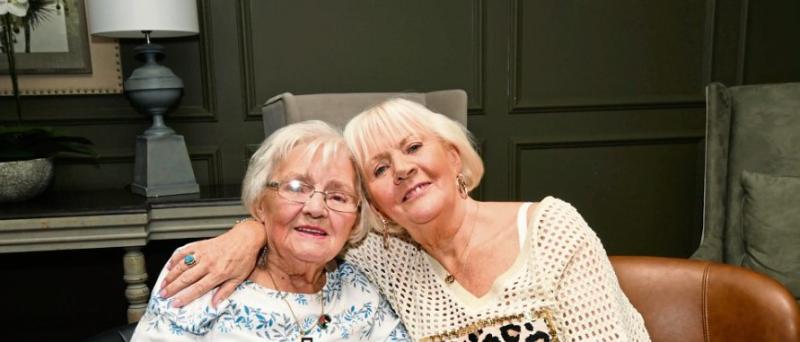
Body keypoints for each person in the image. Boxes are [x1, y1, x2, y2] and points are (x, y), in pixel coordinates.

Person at [159, 99, 650, 341]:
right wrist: (249, 232)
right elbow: (307, 226)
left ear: (455, 158)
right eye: (378, 168)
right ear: (372, 204)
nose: (402, 169)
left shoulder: (549, 229)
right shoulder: (378, 258)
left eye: (414, 147)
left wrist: (259, 224)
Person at [131, 120, 409, 341]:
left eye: (338, 197)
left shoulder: (359, 289)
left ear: (355, 219)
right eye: (297, 188)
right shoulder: (205, 271)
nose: (316, 208)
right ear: (260, 203)